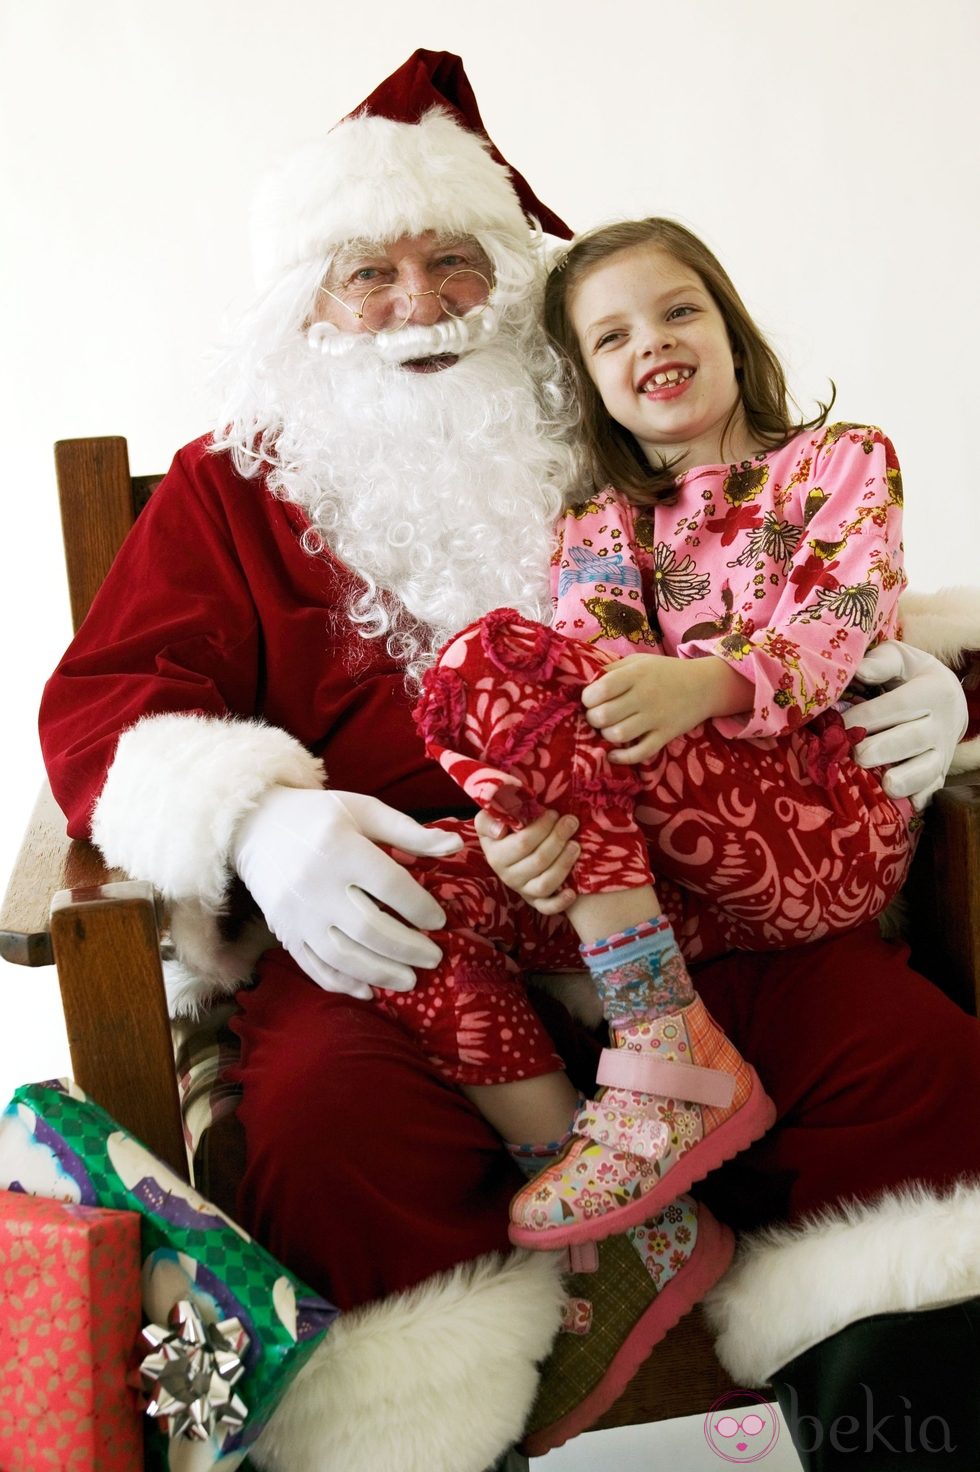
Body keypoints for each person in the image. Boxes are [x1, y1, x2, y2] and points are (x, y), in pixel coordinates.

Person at [35, 49, 980, 1472]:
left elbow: (800, 571)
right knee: (321, 1117)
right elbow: (107, 699)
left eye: (456, 263)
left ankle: (913, 1423)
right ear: (303, 305)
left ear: (523, 279)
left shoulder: (617, 442)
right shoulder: (233, 489)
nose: (416, 307)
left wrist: (934, 679)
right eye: (367, 272)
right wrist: (256, 828)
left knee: (905, 1057)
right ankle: (423, 1430)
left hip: (692, 898)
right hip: (412, 920)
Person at [394, 212, 918, 1259]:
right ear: (586, 380)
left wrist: (710, 682)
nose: (653, 344)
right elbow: (578, 709)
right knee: (405, 899)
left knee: (490, 654)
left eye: (677, 311)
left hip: (817, 830)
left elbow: (832, 622)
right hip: (667, 878)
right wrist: (518, 825)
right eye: (612, 336)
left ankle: (658, 1046)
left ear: (730, 328)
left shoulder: (836, 462)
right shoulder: (595, 522)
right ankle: (629, 1224)